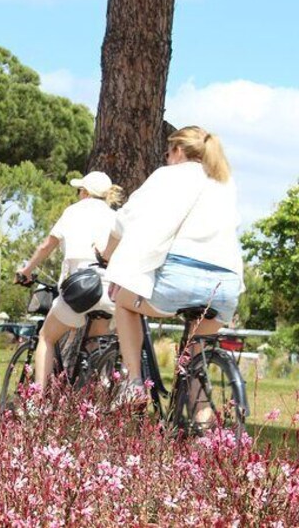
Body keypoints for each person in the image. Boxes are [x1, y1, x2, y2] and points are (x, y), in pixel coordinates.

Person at [101, 126, 243, 415]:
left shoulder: (167, 175)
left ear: (178, 151)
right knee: (195, 355)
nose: (166, 158)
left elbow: (125, 220)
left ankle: (134, 382)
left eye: (167, 152)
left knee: (124, 303)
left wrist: (106, 254)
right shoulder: (225, 181)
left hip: (180, 280)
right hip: (227, 287)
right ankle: (205, 429)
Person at [15, 171, 125, 392]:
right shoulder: (114, 216)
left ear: (84, 192)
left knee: (46, 338)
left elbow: (47, 246)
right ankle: (100, 389)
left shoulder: (73, 212)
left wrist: (26, 270)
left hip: (81, 288)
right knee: (96, 341)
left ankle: (37, 402)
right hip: (109, 290)